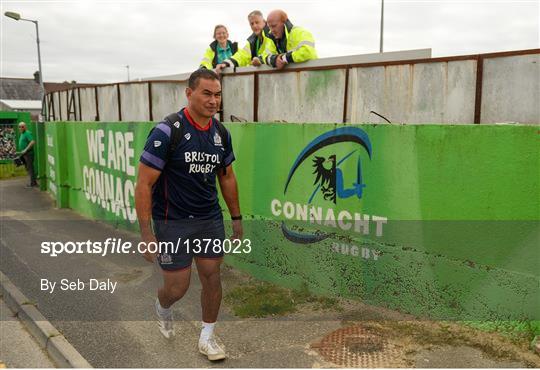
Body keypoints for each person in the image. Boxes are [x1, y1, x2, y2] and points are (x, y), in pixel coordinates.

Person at [135, 69, 243, 361]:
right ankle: (163, 306)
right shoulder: (167, 130)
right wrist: (146, 234)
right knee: (177, 287)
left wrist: (236, 218)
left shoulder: (221, 133)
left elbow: (227, 177)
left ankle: (207, 338)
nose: (213, 100)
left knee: (212, 276)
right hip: (173, 222)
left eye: (217, 94)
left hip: (209, 219)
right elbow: (144, 183)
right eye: (206, 93)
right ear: (189, 93)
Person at [17, 122, 37, 187]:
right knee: (28, 167)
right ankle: (33, 182)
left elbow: (32, 141)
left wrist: (25, 149)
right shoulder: (22, 134)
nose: (21, 128)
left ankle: (33, 183)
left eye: (22, 126)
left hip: (29, 154)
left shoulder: (27, 133)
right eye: (20, 127)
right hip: (24, 154)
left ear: (25, 127)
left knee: (30, 168)